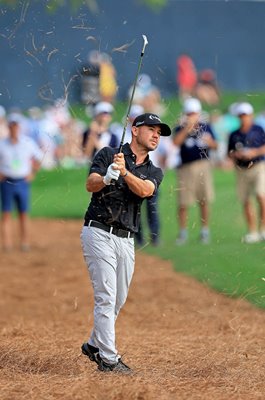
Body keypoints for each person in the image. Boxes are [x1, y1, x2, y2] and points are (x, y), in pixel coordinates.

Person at [80, 112, 171, 373]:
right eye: (152, 129)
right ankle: (108, 359)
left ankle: (94, 344)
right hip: (98, 232)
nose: (156, 135)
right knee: (106, 298)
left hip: (126, 240)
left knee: (118, 300)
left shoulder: (154, 170)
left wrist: (124, 172)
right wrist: (107, 176)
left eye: (159, 133)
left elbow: (145, 190)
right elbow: (90, 184)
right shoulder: (109, 154)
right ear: (135, 130)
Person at [173, 98, 218, 245]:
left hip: (203, 165)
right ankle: (183, 232)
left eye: (194, 113)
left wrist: (208, 141)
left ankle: (205, 231)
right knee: (183, 202)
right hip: (186, 167)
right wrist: (187, 128)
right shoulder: (180, 128)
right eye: (189, 113)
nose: (192, 116)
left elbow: (215, 145)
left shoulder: (206, 127)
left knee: (204, 199)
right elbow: (176, 143)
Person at [0, 114, 43, 251]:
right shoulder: (2, 144)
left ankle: (25, 242)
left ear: (19, 127)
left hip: (22, 182)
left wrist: (33, 173)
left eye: (16, 125)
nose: (14, 128)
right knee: (6, 213)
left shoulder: (27, 143)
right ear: (9, 127)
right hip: (6, 181)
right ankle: (7, 244)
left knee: (23, 213)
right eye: (12, 125)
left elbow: (38, 158)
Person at [227, 102, 265, 243]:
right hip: (241, 170)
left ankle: (263, 228)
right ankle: (252, 231)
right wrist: (237, 155)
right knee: (246, 200)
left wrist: (254, 152)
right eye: (241, 115)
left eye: (246, 115)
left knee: (261, 196)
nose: (243, 118)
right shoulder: (234, 134)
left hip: (258, 166)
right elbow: (229, 153)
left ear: (251, 115)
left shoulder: (259, 129)